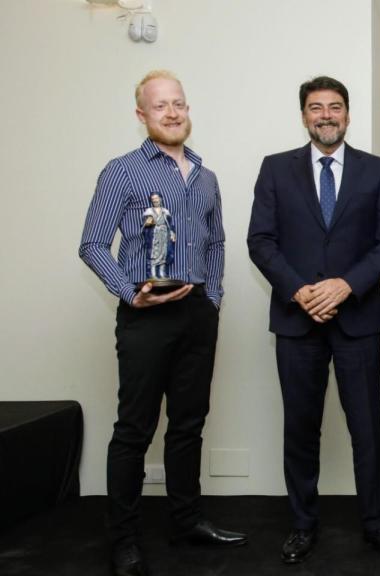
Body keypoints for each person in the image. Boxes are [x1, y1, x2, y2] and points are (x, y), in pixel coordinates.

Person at [79, 70, 246, 576]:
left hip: (197, 314)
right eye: (159, 106)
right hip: (146, 316)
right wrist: (130, 292)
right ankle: (124, 539)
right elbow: (91, 244)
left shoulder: (205, 175)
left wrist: (212, 299)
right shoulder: (122, 171)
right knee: (134, 430)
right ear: (141, 116)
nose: (172, 113)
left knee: (189, 425)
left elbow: (215, 243)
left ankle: (186, 521)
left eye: (179, 104)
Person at [247, 76, 380, 565]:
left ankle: (376, 524)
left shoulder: (376, 171)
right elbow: (261, 241)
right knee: (300, 427)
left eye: (335, 107)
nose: (326, 115)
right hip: (298, 321)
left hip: (357, 320)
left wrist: (344, 285)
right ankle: (301, 525)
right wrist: (300, 291)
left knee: (367, 428)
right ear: (303, 116)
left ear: (348, 114)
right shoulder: (275, 170)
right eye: (316, 108)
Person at [142, 193, 175, 279]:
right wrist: (148, 222)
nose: (155, 200)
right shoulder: (149, 211)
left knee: (164, 254)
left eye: (156, 198)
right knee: (154, 254)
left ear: (160, 199)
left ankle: (162, 273)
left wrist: (172, 233)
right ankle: (153, 275)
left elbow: (170, 224)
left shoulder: (165, 211)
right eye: (153, 199)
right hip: (154, 235)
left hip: (164, 235)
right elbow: (145, 224)